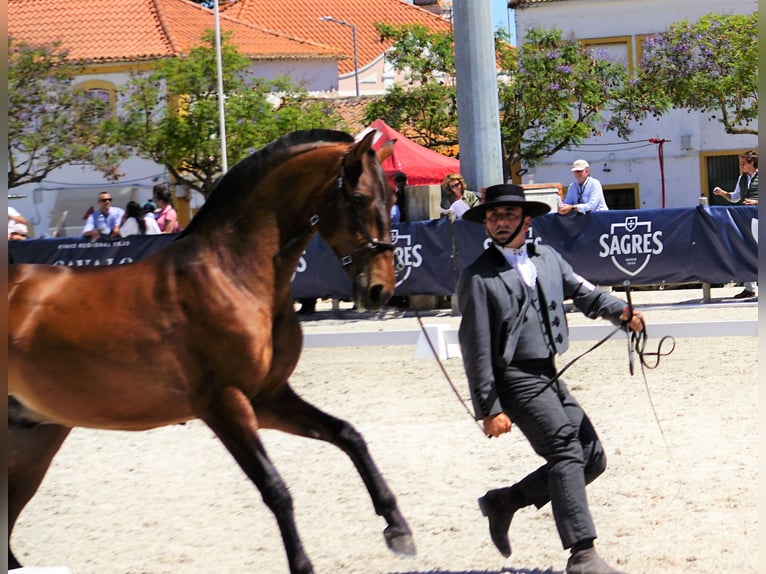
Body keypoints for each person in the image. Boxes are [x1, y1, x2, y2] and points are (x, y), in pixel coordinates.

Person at [457, 184, 644, 574]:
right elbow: (475, 348)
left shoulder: (548, 259)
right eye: (493, 216)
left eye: (509, 215)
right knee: (564, 448)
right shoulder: (478, 277)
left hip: (548, 371)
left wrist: (621, 312)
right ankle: (582, 554)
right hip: (512, 377)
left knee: (592, 457)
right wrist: (488, 408)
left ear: (526, 220)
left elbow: (586, 293)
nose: (500, 222)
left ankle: (504, 501)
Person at [713, 150, 758, 298]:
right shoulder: (742, 179)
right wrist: (722, 193)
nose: (742, 166)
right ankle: (750, 288)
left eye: (744, 163)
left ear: (752, 163)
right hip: (747, 218)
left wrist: (757, 202)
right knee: (747, 250)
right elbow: (735, 197)